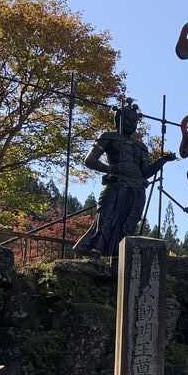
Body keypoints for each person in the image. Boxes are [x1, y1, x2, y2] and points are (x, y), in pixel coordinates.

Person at [74, 102, 174, 260]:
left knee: (129, 221)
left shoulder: (140, 146)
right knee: (107, 216)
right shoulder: (108, 137)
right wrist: (111, 169)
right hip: (116, 183)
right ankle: (95, 252)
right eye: (128, 120)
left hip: (136, 188)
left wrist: (162, 160)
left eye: (135, 122)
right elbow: (89, 160)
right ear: (119, 119)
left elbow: (145, 172)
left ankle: (119, 257)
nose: (132, 124)